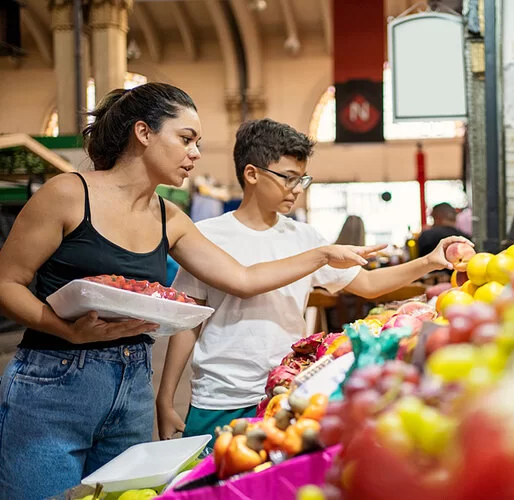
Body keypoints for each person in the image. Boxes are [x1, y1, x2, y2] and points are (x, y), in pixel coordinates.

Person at [0, 83, 382, 500]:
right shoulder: (68, 195)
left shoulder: (170, 217)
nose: (196, 153)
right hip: (54, 379)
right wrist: (67, 330)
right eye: (186, 139)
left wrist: (321, 254)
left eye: (197, 142)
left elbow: (243, 279)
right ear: (143, 133)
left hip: (132, 382)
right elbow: (7, 284)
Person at [156, 119, 470, 442]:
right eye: (288, 178)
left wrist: (429, 261)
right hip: (218, 398)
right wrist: (165, 400)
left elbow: (368, 285)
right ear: (251, 174)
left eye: (301, 179)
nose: (296, 189)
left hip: (286, 393)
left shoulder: (304, 238)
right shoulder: (207, 237)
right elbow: (188, 322)